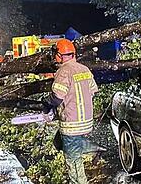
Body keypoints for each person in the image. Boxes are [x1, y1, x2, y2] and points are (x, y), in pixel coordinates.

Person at [44, 39, 97, 184]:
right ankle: (84, 148)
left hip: (71, 125)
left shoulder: (64, 71)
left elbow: (57, 97)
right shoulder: (84, 69)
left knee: (73, 160)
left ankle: (79, 181)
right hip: (86, 122)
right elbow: (92, 91)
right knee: (59, 142)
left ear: (59, 55)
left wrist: (46, 104)